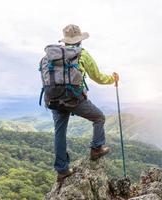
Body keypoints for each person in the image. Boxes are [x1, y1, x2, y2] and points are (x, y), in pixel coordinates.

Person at [51, 24, 119, 182]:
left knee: (60, 132)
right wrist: (112, 79)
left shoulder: (53, 55)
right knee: (99, 118)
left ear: (65, 40)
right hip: (75, 99)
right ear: (80, 39)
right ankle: (96, 149)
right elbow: (97, 77)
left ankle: (62, 170)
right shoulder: (82, 54)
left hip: (54, 99)